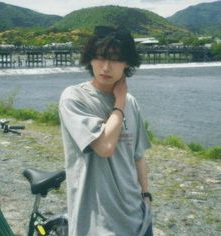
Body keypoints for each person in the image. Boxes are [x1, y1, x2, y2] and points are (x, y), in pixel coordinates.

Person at [59, 25, 153, 236]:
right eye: (100, 57)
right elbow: (105, 147)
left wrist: (146, 196)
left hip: (139, 219)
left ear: (127, 62)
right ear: (90, 59)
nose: (106, 67)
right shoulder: (74, 98)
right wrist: (118, 103)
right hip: (97, 224)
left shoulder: (132, 103)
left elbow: (138, 156)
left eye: (116, 58)